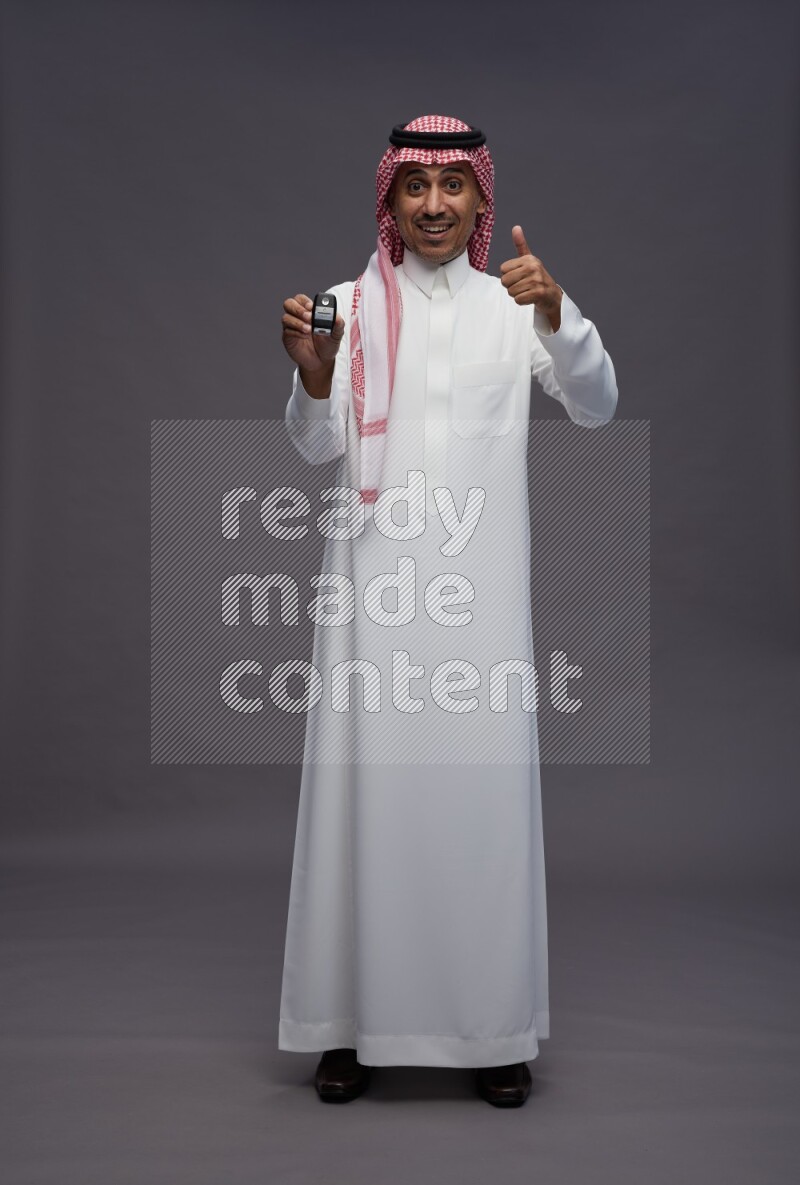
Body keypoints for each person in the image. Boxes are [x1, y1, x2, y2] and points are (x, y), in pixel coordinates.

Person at [278, 114, 618, 1106]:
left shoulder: (515, 303)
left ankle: (491, 1029)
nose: (432, 204)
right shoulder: (344, 304)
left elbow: (596, 404)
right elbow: (310, 445)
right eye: (412, 187)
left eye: (451, 186)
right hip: (369, 600)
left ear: (480, 200)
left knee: (478, 806)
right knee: (359, 803)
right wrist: (310, 378)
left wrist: (561, 314)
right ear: (387, 199)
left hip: (476, 605)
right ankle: (347, 1027)